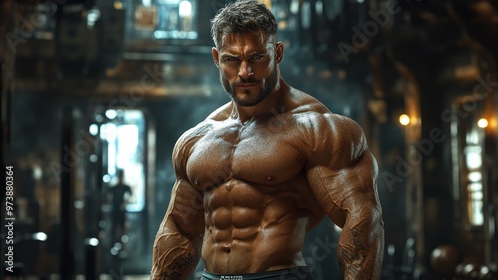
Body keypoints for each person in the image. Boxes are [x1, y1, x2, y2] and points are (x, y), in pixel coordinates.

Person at [151, 1, 384, 279]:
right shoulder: (198, 138)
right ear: (216, 58)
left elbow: (362, 222)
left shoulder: (317, 128)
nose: (245, 72)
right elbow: (179, 229)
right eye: (232, 59)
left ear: (278, 53)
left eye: (257, 57)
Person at [108, 169, 132, 247]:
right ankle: (113, 246)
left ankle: (122, 248)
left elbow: (130, 197)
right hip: (115, 211)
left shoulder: (125, 187)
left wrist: (125, 203)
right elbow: (108, 197)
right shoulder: (114, 187)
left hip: (122, 212)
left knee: (122, 230)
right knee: (114, 230)